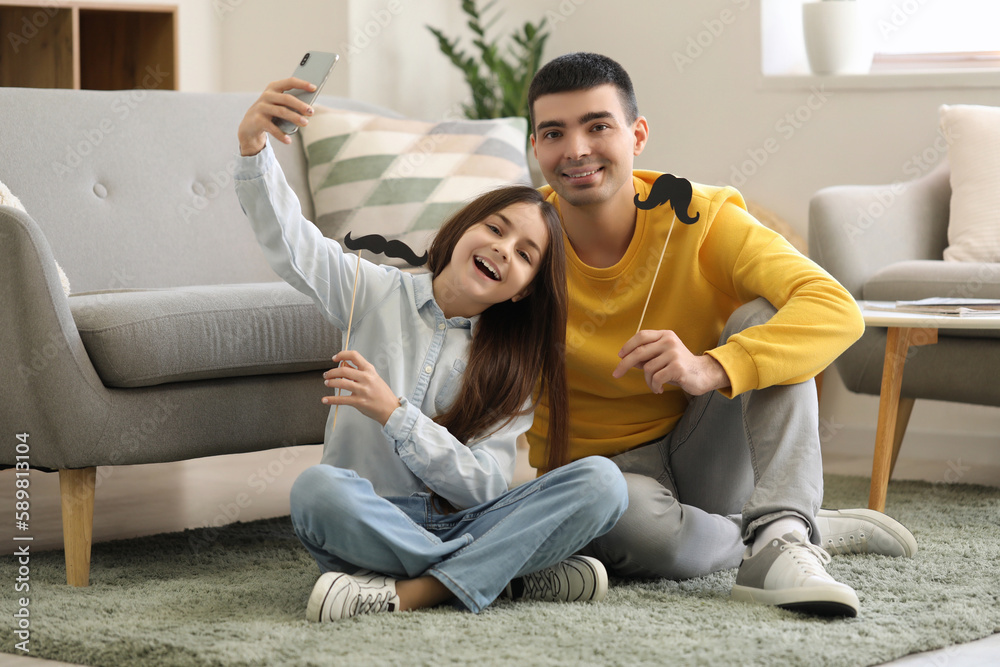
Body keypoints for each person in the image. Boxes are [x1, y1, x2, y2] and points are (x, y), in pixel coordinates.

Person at [523, 53, 917, 617]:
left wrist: (716, 365)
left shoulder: (701, 219)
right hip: (601, 479)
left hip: (706, 451)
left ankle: (781, 534)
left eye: (598, 126)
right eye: (554, 132)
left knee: (763, 318)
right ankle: (796, 531)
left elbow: (836, 307)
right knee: (635, 529)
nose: (576, 149)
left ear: (637, 135)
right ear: (536, 147)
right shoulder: (522, 238)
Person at [233, 78, 629, 622]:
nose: (501, 248)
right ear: (463, 228)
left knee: (603, 482)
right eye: (495, 227)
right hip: (367, 520)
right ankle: (505, 574)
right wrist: (254, 150)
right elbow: (292, 244)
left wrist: (393, 415)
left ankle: (414, 592)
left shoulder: (514, 365)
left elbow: (484, 488)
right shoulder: (369, 291)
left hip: (465, 522)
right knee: (316, 491)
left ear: (525, 289)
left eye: (524, 253)